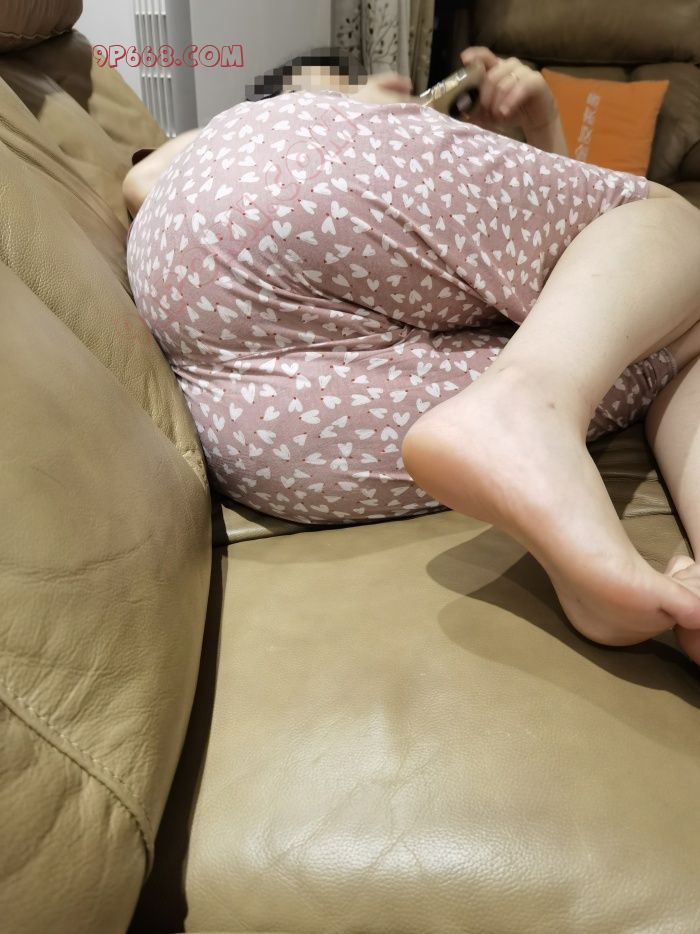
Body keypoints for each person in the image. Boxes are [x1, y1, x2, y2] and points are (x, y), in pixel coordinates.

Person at [124, 47, 700, 663]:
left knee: (659, 339)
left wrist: (541, 129)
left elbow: (615, 287)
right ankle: (528, 404)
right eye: (336, 88)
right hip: (265, 199)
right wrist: (349, 109)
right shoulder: (300, 136)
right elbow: (635, 225)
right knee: (675, 222)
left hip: (259, 441)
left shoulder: (217, 180)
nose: (392, 87)